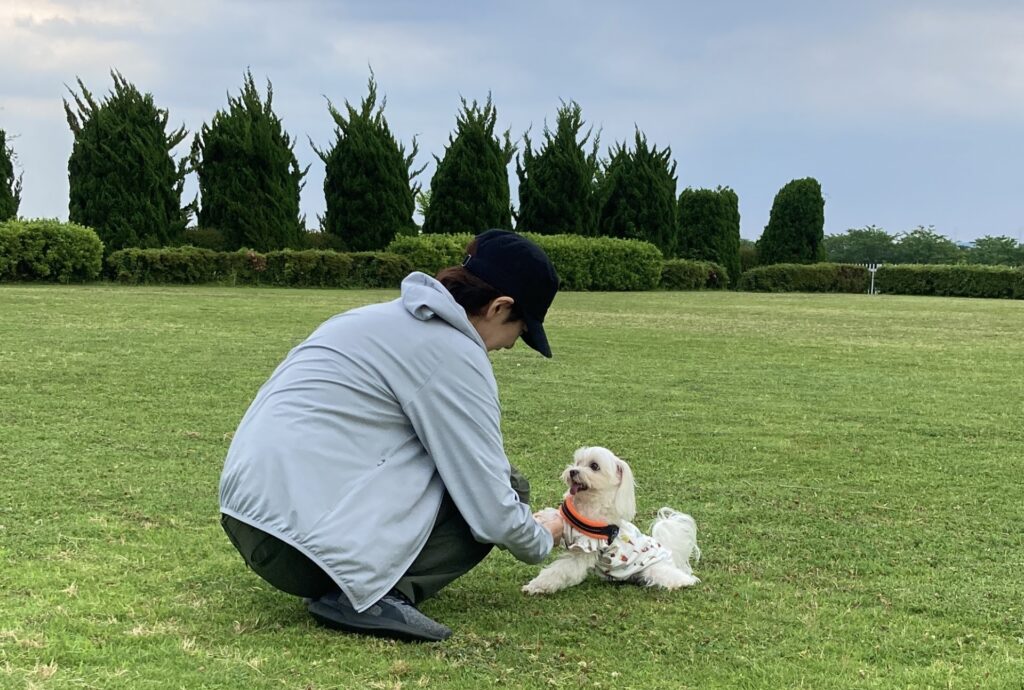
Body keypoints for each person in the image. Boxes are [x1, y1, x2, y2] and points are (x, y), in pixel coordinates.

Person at [218, 229, 564, 642]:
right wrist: (543, 536)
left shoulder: (375, 318)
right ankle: (374, 597)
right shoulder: (453, 352)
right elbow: (492, 506)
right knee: (508, 486)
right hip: (300, 548)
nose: (510, 346)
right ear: (499, 307)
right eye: (520, 331)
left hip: (247, 518)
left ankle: (357, 578)